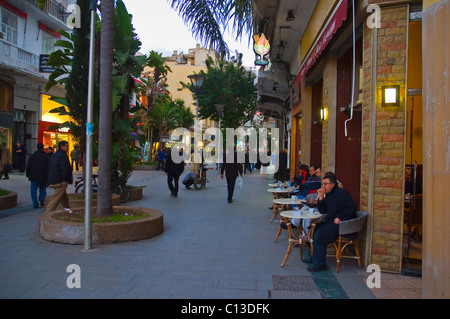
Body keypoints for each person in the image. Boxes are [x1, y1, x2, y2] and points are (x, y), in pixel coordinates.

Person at [305, 172, 357, 272]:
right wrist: (320, 197)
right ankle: (315, 258)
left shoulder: (341, 193)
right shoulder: (328, 195)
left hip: (342, 225)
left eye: (325, 184)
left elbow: (351, 207)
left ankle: (320, 264)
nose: (323, 186)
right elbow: (323, 210)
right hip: (331, 222)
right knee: (315, 230)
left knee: (321, 235)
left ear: (333, 184)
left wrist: (341, 218)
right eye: (322, 184)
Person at [45, 141, 73, 213]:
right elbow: (65, 168)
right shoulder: (63, 156)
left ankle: (68, 210)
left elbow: (49, 168)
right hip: (60, 181)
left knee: (63, 198)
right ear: (62, 146)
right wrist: (65, 179)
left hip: (55, 179)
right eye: (66, 146)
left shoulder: (53, 155)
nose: (68, 148)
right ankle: (47, 214)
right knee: (55, 199)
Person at [26, 143, 48, 208]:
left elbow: (28, 166)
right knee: (43, 188)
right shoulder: (46, 156)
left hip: (33, 175)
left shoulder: (32, 156)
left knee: (33, 190)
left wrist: (28, 174)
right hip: (43, 175)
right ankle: (42, 200)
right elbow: (48, 167)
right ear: (43, 148)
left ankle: (35, 203)